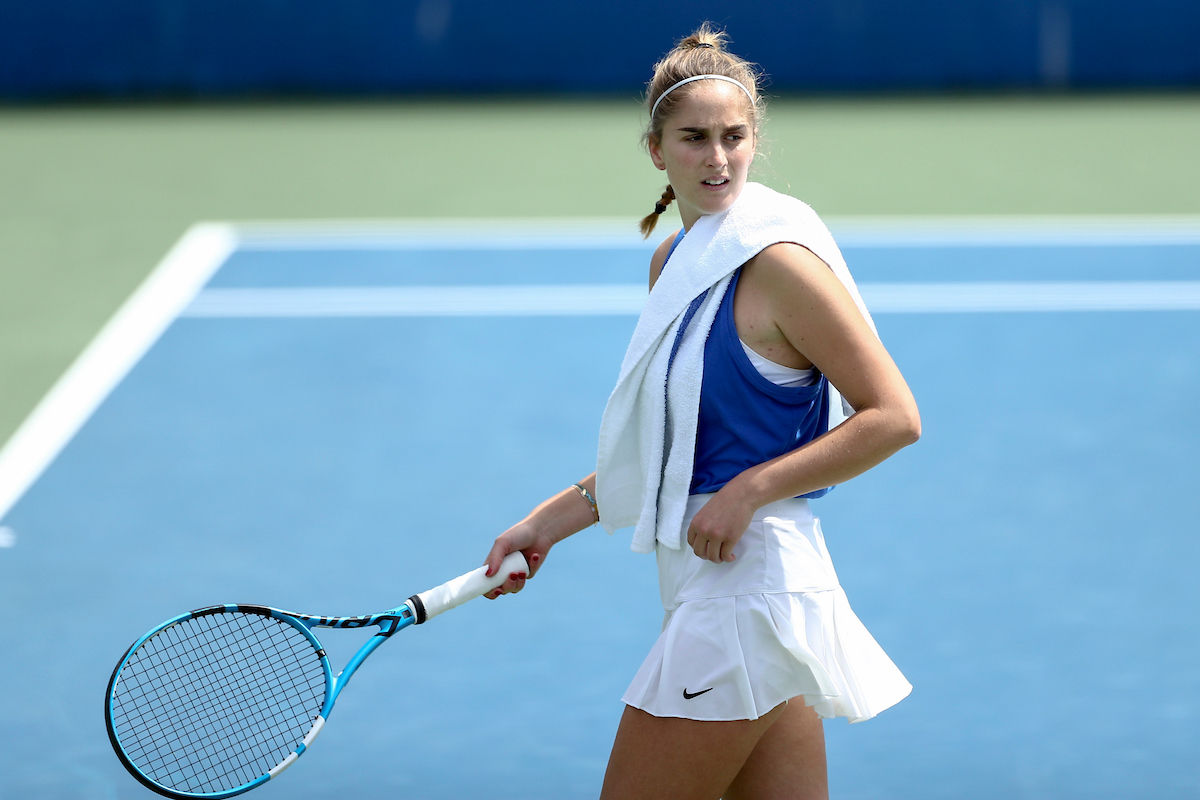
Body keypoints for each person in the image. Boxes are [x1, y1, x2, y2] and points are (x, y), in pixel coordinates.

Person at [483, 24, 920, 800]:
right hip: (719, 587)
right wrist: (546, 523)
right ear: (657, 151)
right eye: (694, 139)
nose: (718, 158)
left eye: (733, 137)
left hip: (747, 593)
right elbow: (669, 450)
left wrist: (750, 490)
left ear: (754, 142)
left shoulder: (782, 268)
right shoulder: (673, 264)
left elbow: (894, 416)